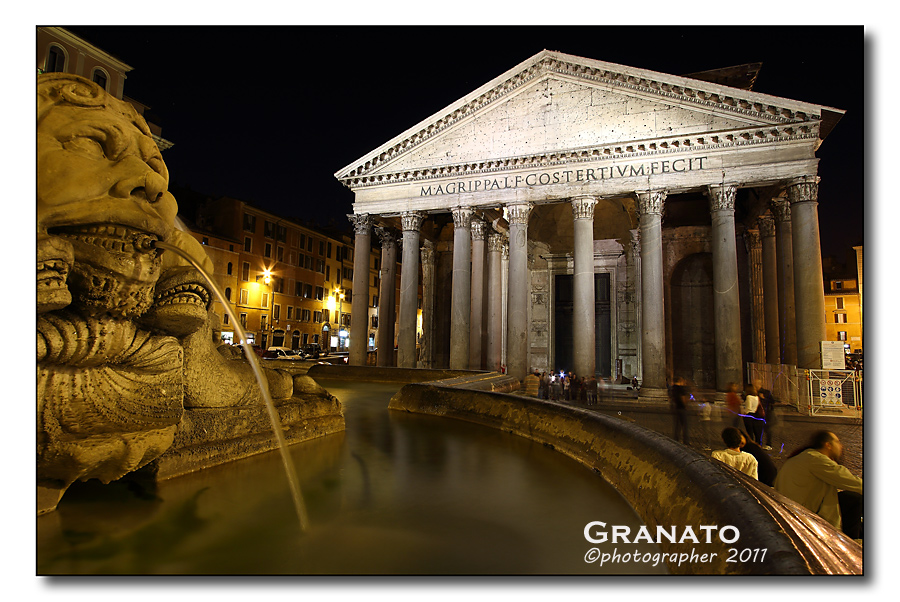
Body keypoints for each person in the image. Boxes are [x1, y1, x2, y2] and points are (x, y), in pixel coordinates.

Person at [774, 430, 863, 536]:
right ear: (828, 445)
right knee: (855, 499)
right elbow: (850, 481)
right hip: (806, 518)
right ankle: (851, 542)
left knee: (851, 498)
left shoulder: (804, 457)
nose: (841, 446)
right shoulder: (817, 460)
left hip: (792, 511)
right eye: (838, 442)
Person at [668, 377, 690, 445]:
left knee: (677, 426)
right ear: (680, 380)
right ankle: (686, 441)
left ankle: (676, 440)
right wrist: (685, 405)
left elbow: (671, 398)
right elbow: (683, 398)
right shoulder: (681, 389)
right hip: (682, 408)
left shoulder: (673, 388)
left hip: (676, 408)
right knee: (685, 426)